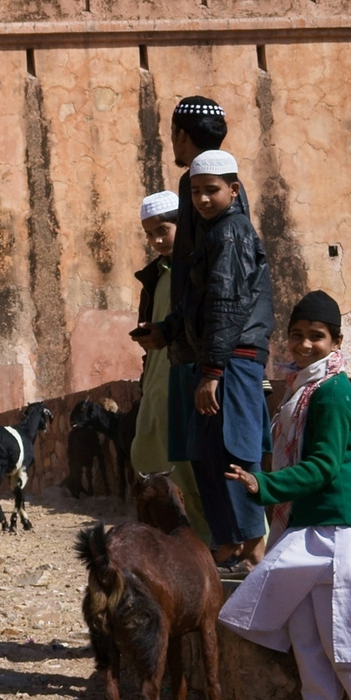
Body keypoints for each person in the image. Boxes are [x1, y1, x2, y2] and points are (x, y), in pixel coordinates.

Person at [220, 292, 351, 700]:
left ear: (336, 341)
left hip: (339, 526)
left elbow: (324, 466)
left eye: (316, 336)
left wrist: (264, 487)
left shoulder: (332, 392)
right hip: (309, 523)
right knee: (305, 629)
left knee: (347, 629)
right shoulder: (302, 388)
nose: (304, 344)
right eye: (296, 335)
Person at [170, 150, 273, 569]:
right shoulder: (214, 233)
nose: (202, 199)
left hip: (232, 360)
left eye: (211, 190)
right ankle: (230, 541)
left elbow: (228, 304)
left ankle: (253, 546)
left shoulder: (231, 233)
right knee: (205, 451)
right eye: (195, 192)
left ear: (233, 189)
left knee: (233, 451)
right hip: (216, 360)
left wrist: (212, 371)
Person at [125, 190, 209, 545]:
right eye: (149, 234)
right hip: (157, 381)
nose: (156, 240)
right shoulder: (157, 275)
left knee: (193, 469)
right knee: (146, 455)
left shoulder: (196, 268)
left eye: (163, 230)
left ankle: (213, 544)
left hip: (188, 378)